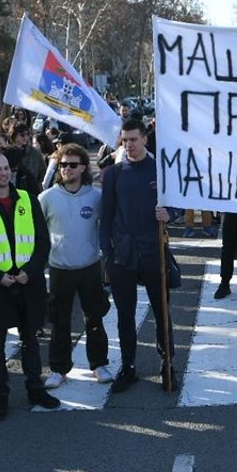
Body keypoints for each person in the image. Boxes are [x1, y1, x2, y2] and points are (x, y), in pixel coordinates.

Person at [0, 151, 60, 419]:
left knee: (31, 340)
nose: (4, 173)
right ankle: (0, 397)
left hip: (28, 283)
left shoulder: (27, 200)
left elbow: (42, 241)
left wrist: (30, 271)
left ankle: (35, 389)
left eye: (6, 168)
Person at [99, 119, 175, 393]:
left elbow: (176, 204)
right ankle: (128, 366)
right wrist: (107, 254)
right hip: (123, 255)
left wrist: (171, 215)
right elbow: (104, 219)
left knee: (161, 311)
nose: (129, 144)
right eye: (125, 140)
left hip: (154, 251)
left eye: (133, 139)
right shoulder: (114, 174)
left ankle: (167, 364)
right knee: (125, 315)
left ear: (145, 139)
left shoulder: (161, 170)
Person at [38, 143, 114, 388]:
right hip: (60, 268)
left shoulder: (96, 196)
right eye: (62, 165)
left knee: (94, 318)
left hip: (90, 266)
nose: (67, 169)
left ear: (83, 167)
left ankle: (99, 364)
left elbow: (109, 227)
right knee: (60, 322)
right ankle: (58, 369)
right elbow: (37, 233)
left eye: (72, 165)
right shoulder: (47, 198)